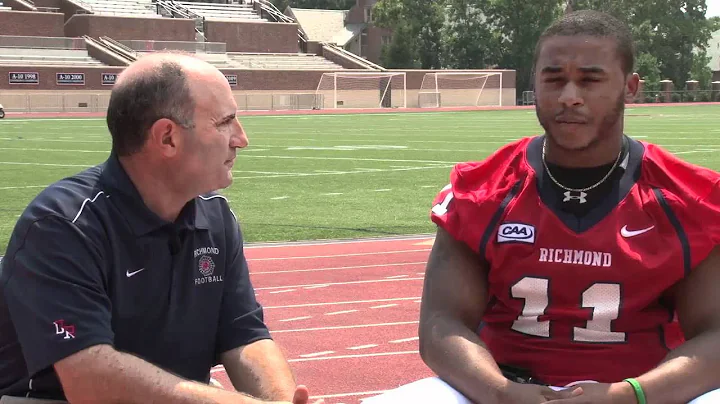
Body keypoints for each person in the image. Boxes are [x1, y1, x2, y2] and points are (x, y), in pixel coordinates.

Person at [365, 10, 720, 404]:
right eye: (554, 79)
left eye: (590, 79)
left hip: (643, 391)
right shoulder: (485, 189)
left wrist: (629, 395)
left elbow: (716, 334)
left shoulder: (688, 197)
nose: (569, 96)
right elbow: (441, 323)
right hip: (506, 385)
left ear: (630, 87)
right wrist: (501, 392)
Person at [0, 53, 321, 404]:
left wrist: (282, 400)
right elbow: (88, 379)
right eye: (225, 122)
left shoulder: (215, 217)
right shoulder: (62, 226)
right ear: (167, 137)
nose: (241, 138)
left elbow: (244, 335)